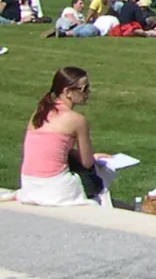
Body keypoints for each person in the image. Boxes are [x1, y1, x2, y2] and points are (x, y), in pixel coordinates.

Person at [17, 67, 114, 206]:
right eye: (84, 89)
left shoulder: (39, 113)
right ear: (68, 92)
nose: (88, 93)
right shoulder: (77, 120)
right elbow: (87, 163)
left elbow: (50, 149)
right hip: (56, 188)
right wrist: (94, 158)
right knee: (103, 172)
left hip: (29, 185)